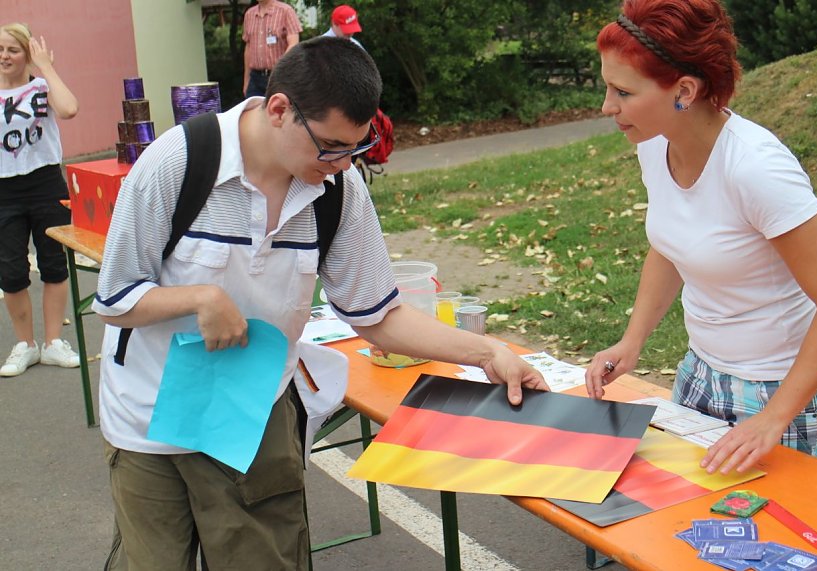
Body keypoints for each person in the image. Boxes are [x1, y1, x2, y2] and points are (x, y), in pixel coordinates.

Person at [93, 36, 547, 570]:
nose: (340, 164)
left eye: (353, 149)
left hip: (253, 415)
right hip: (148, 420)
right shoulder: (178, 163)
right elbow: (115, 299)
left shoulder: (337, 189)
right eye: (330, 146)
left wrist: (487, 353)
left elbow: (379, 314)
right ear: (279, 109)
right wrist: (200, 297)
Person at [585, 0, 817, 475]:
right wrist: (632, 341)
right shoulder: (653, 143)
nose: (608, 106)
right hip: (701, 371)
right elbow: (670, 246)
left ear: (684, 90)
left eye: (622, 91)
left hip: (784, 388)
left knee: (779, 544)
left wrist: (774, 418)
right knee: (685, 524)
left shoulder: (756, 168)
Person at [0, 23, 80, 377]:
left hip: (45, 181)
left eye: (12, 50)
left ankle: (52, 343)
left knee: (53, 263)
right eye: (0, 50)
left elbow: (70, 109)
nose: (4, 56)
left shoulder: (42, 87)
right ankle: (25, 345)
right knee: (11, 271)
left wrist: (45, 66)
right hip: (4, 189)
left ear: (26, 53)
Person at [242, 0, 302, 98]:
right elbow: (248, 48)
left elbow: (294, 44)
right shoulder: (249, 14)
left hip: (279, 76)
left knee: (278, 111)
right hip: (255, 78)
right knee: (253, 111)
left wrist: (280, 70)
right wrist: (246, 80)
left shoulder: (285, 11)